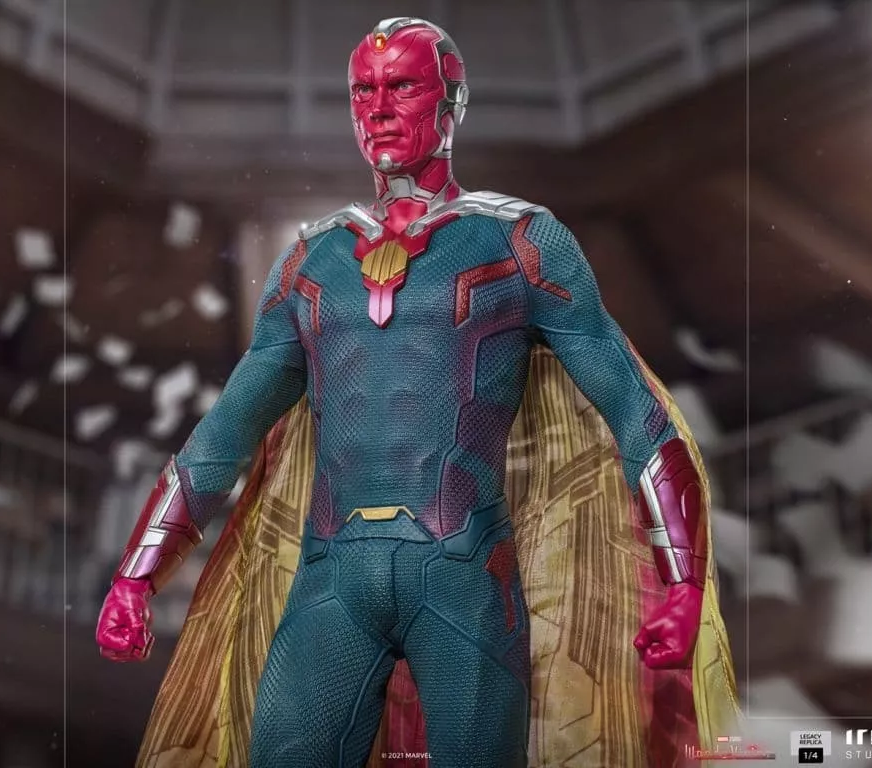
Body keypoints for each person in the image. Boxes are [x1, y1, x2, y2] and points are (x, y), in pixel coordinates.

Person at [96, 17, 740, 768]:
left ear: (451, 101)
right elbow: (226, 433)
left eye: (400, 86)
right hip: (332, 579)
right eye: (362, 91)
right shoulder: (310, 260)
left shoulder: (521, 241)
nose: (377, 109)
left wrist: (684, 583)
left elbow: (634, 412)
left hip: (465, 576)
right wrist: (135, 575)